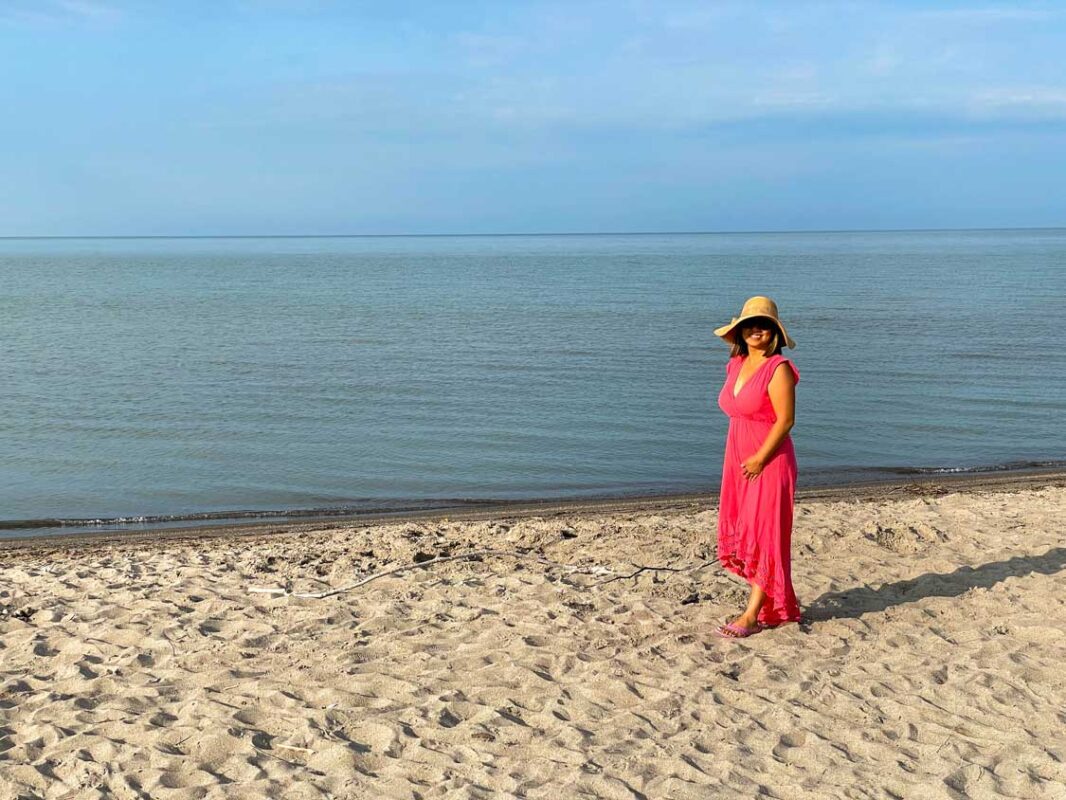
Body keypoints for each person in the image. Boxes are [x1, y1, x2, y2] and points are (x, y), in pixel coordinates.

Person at [712, 296, 801, 638]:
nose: (757, 331)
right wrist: (746, 461)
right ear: (740, 331)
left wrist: (760, 458)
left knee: (765, 534)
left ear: (774, 332)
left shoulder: (778, 368)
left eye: (765, 325)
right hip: (738, 458)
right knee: (746, 529)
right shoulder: (734, 365)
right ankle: (772, 605)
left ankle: (751, 614)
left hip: (770, 460)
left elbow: (786, 421)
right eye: (751, 324)